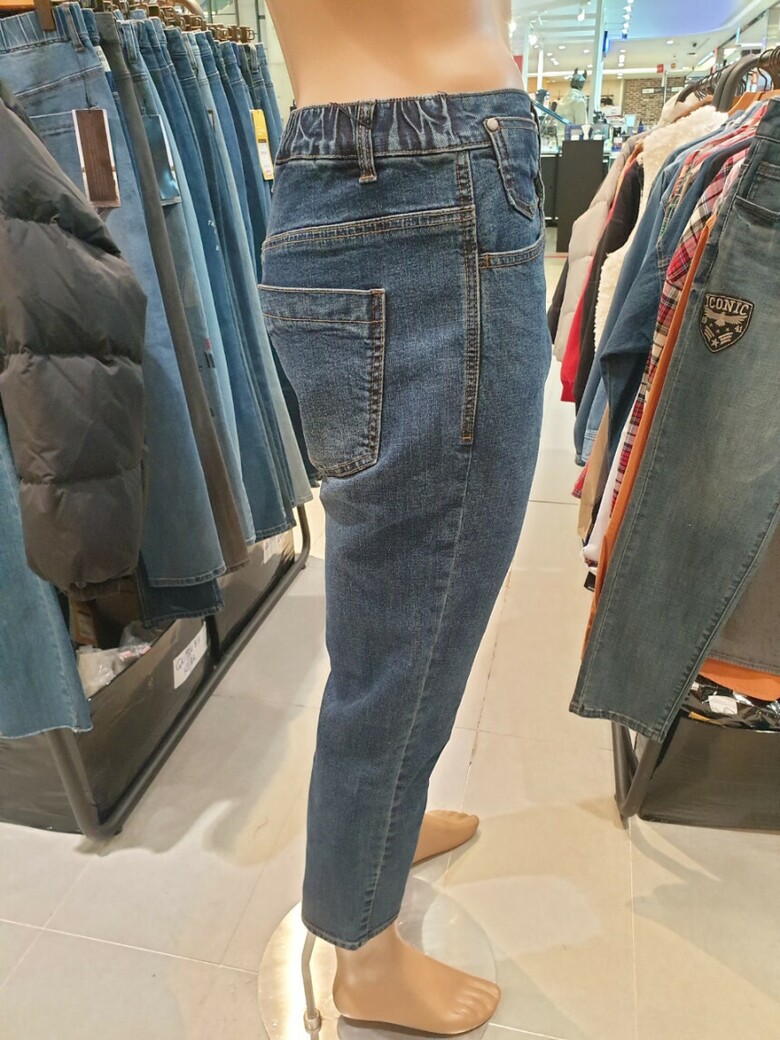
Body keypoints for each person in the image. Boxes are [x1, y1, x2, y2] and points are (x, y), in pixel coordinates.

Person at [260, 2, 551, 1033]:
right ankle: (362, 949)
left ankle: (383, 825)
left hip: (358, 174)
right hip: (437, 187)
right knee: (420, 605)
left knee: (409, 596)